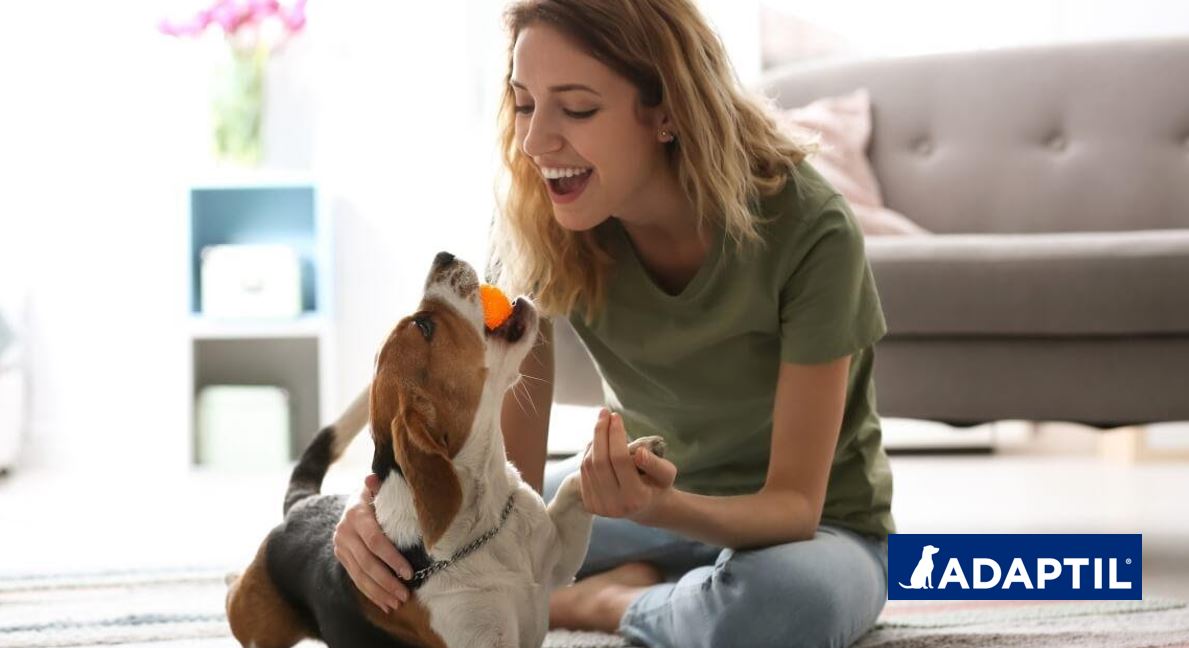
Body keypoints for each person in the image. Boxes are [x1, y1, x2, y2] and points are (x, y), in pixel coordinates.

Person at [333, 0, 893, 646]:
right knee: (400, 560)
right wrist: (377, 515)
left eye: (576, 109)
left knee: (775, 614)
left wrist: (663, 508)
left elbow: (794, 507)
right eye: (524, 103)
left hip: (817, 530)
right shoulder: (535, 223)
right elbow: (508, 478)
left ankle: (607, 602)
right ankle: (671, 587)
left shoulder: (810, 229)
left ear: (667, 111)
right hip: (628, 498)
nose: (535, 141)